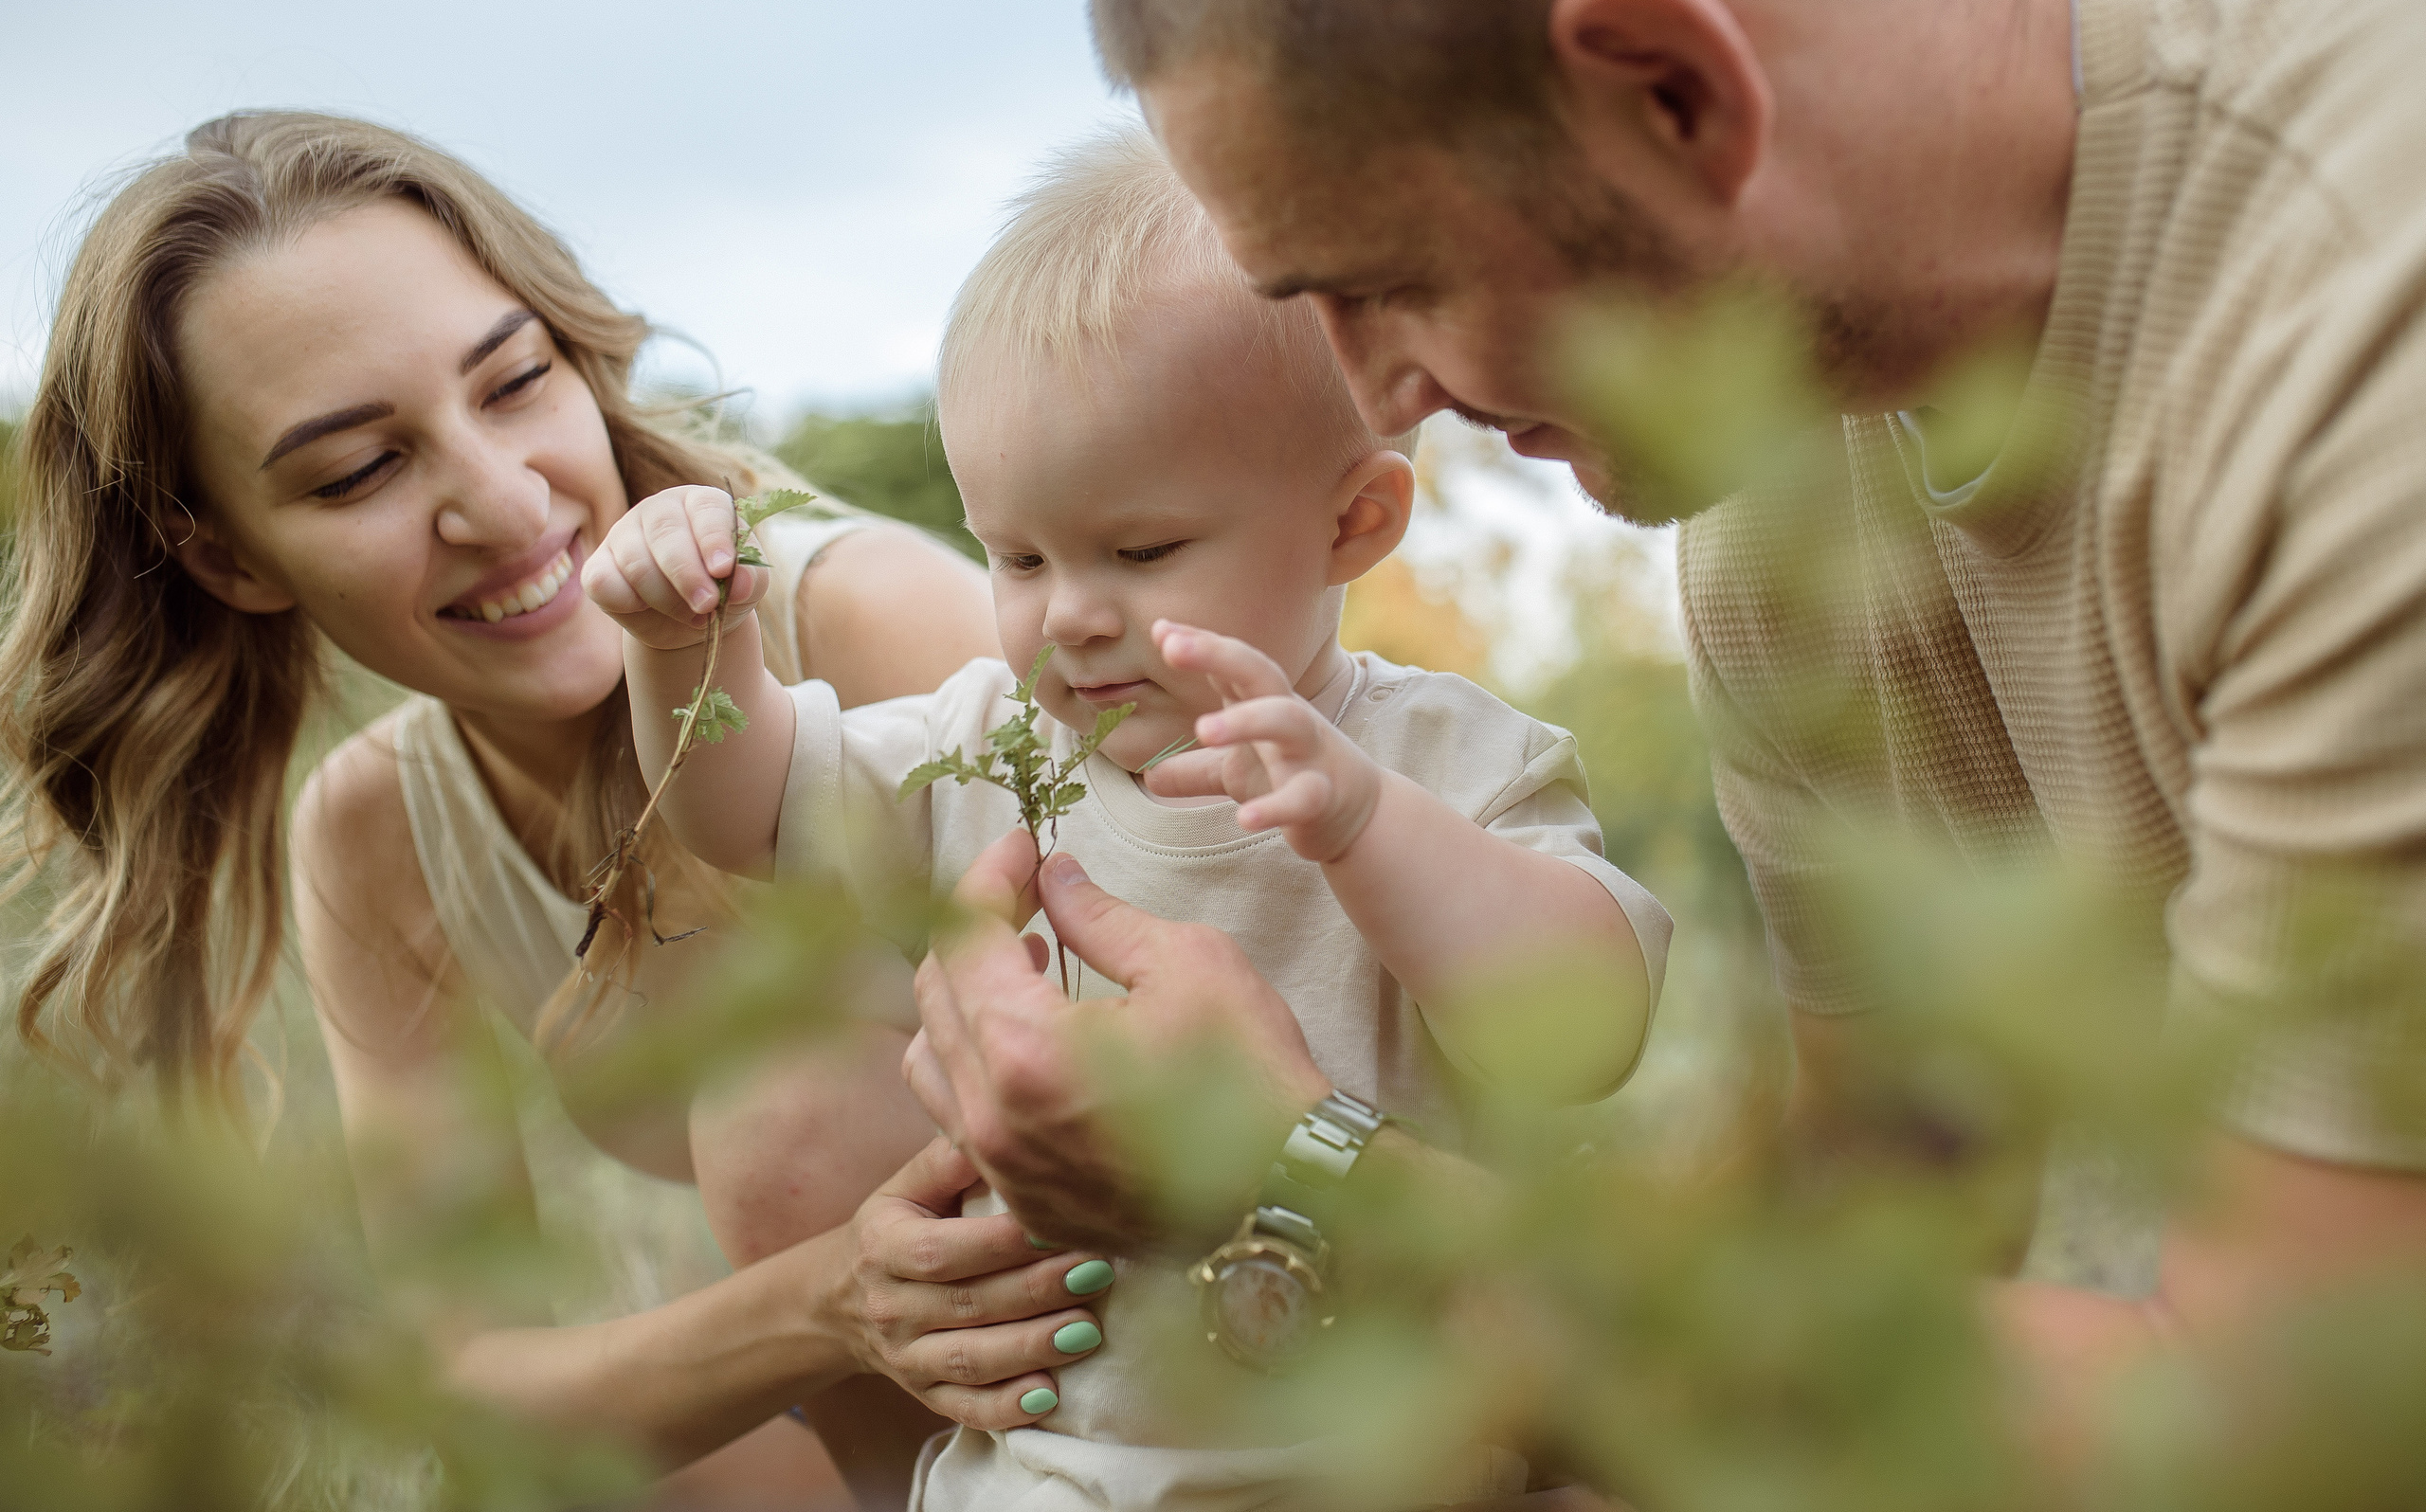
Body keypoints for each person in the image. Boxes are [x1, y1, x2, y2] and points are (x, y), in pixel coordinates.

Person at [904, 0, 2426, 1492]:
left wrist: (1296, 1168)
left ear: (1671, 89)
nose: (1376, 397)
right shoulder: (1780, 511)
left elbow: (2300, 1420)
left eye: (1385, 280)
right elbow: (1891, 1225)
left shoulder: (2352, 338)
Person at [0, 110, 1109, 1509]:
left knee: (784, 1108)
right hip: (905, 1425)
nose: (503, 500)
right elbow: (465, 1380)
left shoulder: (862, 625)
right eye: (359, 471)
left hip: (1167, 1358)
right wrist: (830, 1299)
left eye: (514, 382)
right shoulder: (377, 829)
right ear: (229, 560)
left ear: (577, 359)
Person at [588, 128, 1672, 1510]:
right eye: (1017, 555)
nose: (1071, 612)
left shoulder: (1440, 759)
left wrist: (1363, 824)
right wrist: (685, 648)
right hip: (1056, 1467)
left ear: (1355, 522)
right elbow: (743, 810)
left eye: (1143, 550)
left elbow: (1585, 1023)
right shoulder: (988, 743)